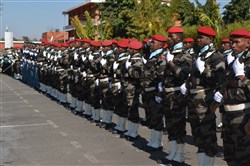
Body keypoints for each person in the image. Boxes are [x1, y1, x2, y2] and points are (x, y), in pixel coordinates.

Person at [180, 26, 226, 165]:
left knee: (208, 136)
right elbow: (193, 76)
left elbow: (219, 79)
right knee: (197, 135)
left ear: (210, 39)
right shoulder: (198, 55)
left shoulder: (216, 56)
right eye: (198, 37)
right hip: (193, 99)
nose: (198, 39)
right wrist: (186, 84)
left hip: (205, 100)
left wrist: (203, 69)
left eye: (201, 37)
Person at [213, 29, 250, 166]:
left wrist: (243, 77)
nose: (233, 45)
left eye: (236, 42)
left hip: (244, 116)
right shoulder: (232, 61)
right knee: (230, 157)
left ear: (248, 43)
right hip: (228, 116)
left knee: (244, 159)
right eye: (232, 42)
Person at [163, 27, 193, 165]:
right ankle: (172, 152)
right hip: (167, 94)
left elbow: (183, 75)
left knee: (178, 126)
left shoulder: (184, 55)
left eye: (171, 36)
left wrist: (170, 63)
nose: (169, 38)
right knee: (169, 125)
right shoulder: (169, 53)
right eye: (168, 36)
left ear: (179, 38)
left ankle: (180, 154)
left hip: (177, 95)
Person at [141, 34, 166, 151]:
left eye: (154, 42)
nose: (151, 44)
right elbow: (144, 49)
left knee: (156, 117)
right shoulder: (151, 55)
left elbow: (161, 76)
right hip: (147, 90)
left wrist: (159, 93)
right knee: (151, 116)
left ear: (160, 45)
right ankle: (153, 140)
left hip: (155, 91)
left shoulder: (161, 57)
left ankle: (158, 142)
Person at [123, 40, 144, 141]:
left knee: (133, 110)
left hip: (134, 89)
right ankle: (130, 130)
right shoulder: (131, 59)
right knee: (129, 110)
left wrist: (128, 69)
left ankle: (134, 132)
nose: (128, 50)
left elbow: (137, 75)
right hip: (128, 88)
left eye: (130, 48)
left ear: (135, 50)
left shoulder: (138, 61)